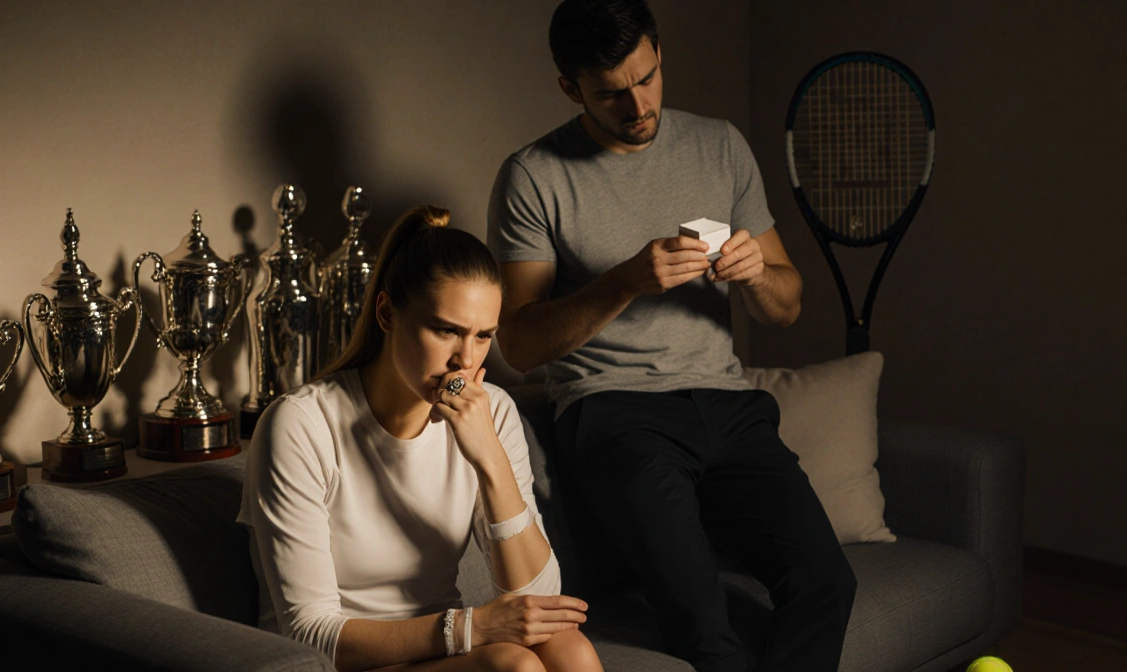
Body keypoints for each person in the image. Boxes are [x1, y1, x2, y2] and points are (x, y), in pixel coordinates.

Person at [486, 2, 857, 671]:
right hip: (614, 411)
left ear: (659, 52)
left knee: (827, 584)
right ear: (570, 87)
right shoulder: (533, 175)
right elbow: (518, 343)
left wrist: (756, 274)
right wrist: (624, 282)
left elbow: (788, 305)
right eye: (611, 93)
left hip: (730, 405)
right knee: (702, 622)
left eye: (647, 78)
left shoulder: (721, 146)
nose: (638, 106)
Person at [239, 205, 604, 672]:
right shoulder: (301, 424)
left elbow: (540, 602)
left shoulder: (492, 412)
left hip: (436, 653)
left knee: (571, 650)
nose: (465, 360)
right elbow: (309, 633)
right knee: (514, 667)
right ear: (387, 314)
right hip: (338, 661)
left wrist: (490, 460)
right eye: (447, 330)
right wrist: (471, 628)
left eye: (483, 336)